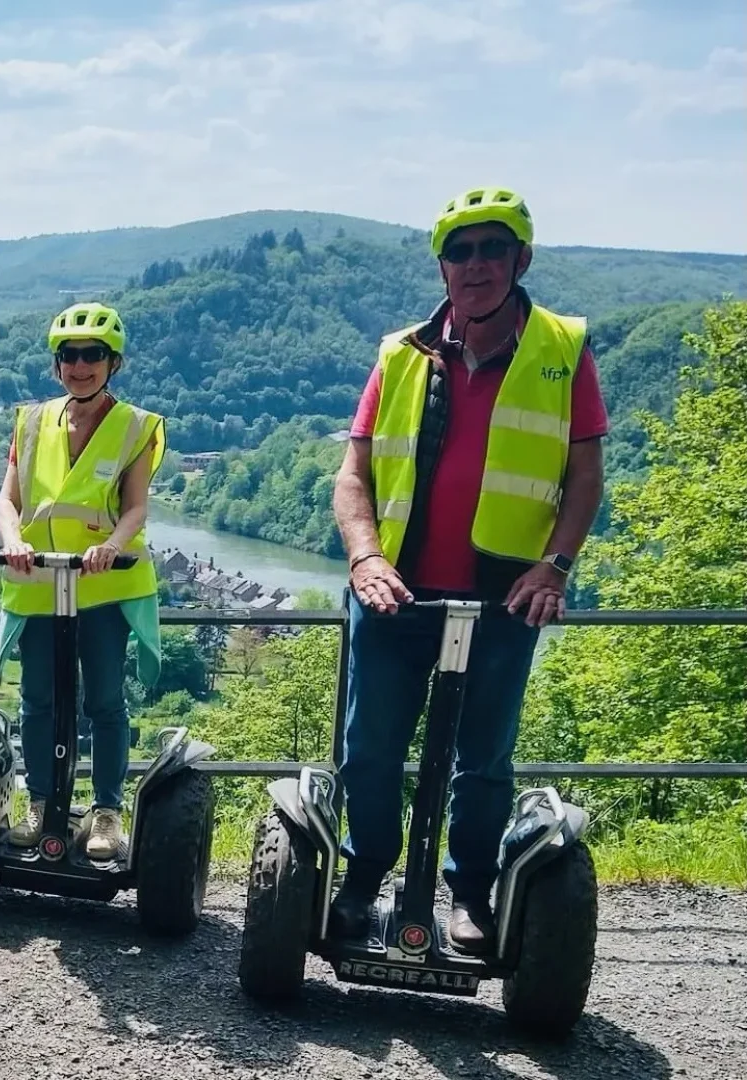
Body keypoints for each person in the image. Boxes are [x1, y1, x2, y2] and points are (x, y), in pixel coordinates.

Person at [331, 187, 607, 953]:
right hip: (395, 593)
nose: (476, 265)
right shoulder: (401, 354)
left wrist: (554, 566)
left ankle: (470, 895)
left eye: (493, 249)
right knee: (370, 750)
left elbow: (585, 477)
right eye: (460, 251)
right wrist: (365, 556)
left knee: (483, 761)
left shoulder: (561, 349)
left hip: (503, 596)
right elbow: (352, 477)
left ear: (522, 259)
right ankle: (362, 879)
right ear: (443, 267)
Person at [0, 303, 165, 861]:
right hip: (40, 579)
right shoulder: (31, 422)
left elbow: (136, 507)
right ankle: (42, 804)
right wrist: (13, 539)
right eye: (70, 356)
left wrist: (112, 544)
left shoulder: (135, 426)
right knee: (38, 699)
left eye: (93, 355)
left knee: (105, 700)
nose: (80, 366)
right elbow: (8, 500)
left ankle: (107, 812)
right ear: (56, 364)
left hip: (105, 584)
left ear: (114, 363)